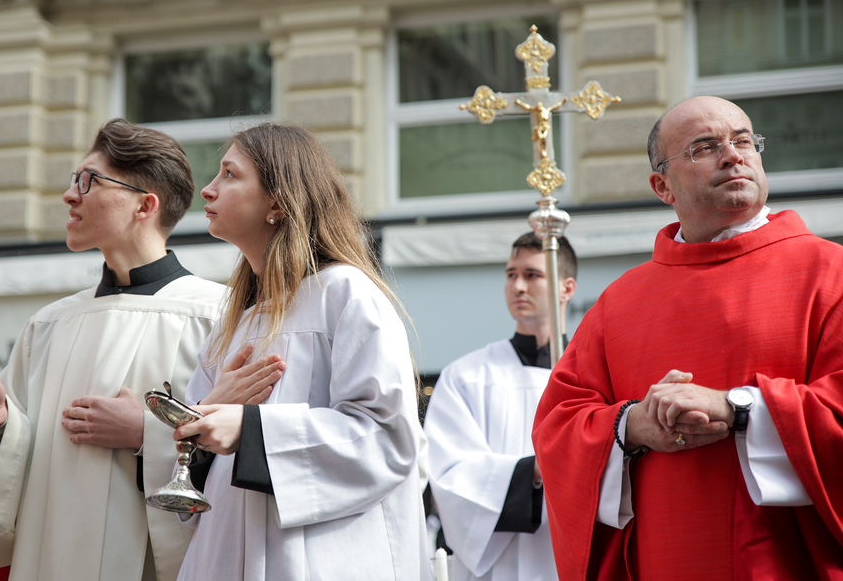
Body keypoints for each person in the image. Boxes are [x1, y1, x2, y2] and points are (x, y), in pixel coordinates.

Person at [0, 119, 283, 581]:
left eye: (89, 181)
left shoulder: (221, 315)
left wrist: (146, 434)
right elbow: (18, 469)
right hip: (52, 555)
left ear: (145, 204)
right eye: (74, 180)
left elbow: (249, 453)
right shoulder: (48, 324)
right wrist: (2, 425)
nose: (70, 195)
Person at [533, 96, 843, 580]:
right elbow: (558, 426)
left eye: (744, 141)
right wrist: (632, 425)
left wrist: (738, 409)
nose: (733, 155)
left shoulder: (829, 273)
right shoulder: (620, 302)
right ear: (663, 186)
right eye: (705, 147)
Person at [171, 123, 431, 581]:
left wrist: (251, 430)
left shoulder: (346, 294)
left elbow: (386, 438)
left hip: (323, 558)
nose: (207, 190)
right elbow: (192, 483)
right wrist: (207, 418)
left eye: (230, 174)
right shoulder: (234, 322)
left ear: (277, 202)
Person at [425, 232, 576, 581]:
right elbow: (449, 475)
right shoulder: (466, 375)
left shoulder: (593, 372)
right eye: (511, 274)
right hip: (495, 568)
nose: (518, 286)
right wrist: (535, 470)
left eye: (532, 275)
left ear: (566, 288)